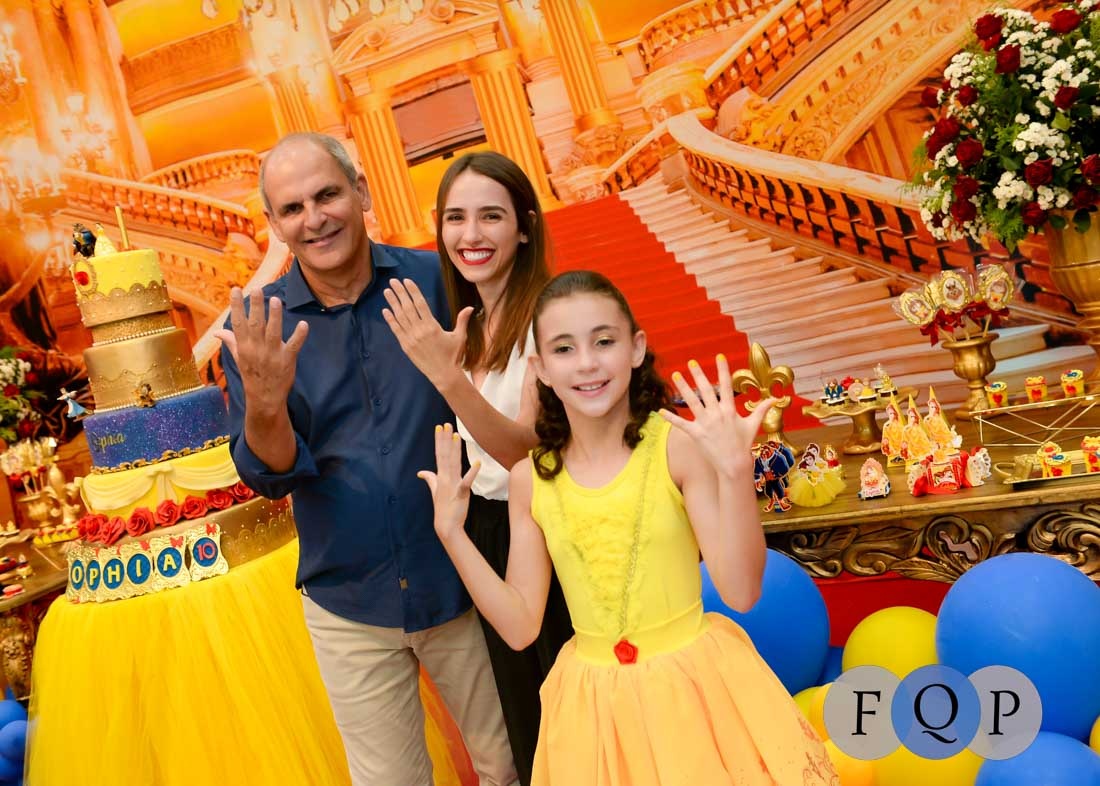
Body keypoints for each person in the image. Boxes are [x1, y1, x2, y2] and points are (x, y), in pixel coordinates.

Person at [418, 270, 839, 785]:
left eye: (604, 341)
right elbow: (520, 624)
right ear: (541, 368)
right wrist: (453, 534)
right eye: (564, 348)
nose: (587, 362)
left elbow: (741, 590)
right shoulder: (532, 479)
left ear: (636, 348)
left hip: (694, 695)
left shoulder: (676, 449)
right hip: (594, 712)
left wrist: (734, 473)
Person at [215, 132, 516, 786]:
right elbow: (271, 475)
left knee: (511, 764)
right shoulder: (256, 333)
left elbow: (510, 394)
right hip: (348, 600)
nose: (314, 218)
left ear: (361, 191)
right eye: (292, 208)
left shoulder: (438, 281)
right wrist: (265, 403)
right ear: (274, 224)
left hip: (467, 578)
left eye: (326, 195)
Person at [382, 151, 573, 785]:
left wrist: (449, 380)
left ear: (524, 227)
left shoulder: (549, 318)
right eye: (456, 218)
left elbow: (530, 457)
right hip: (492, 535)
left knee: (570, 731)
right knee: (530, 735)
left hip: (550, 538)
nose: (471, 234)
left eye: (491, 216)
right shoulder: (474, 325)